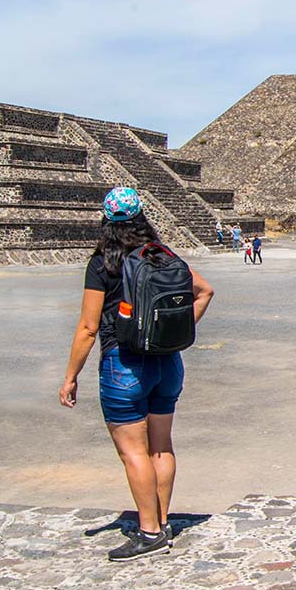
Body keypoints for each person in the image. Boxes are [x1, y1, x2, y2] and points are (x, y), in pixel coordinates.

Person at [59, 187, 215, 562]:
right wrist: (178, 334)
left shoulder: (103, 263)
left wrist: (70, 375)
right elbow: (205, 291)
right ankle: (162, 522)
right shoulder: (162, 255)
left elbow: (87, 328)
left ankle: (149, 532)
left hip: (124, 363)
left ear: (106, 220)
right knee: (162, 446)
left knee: (134, 453)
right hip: (168, 363)